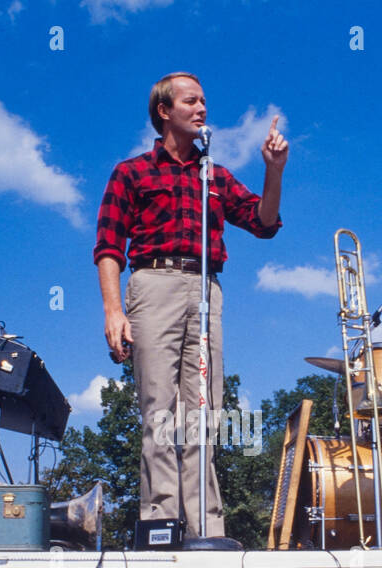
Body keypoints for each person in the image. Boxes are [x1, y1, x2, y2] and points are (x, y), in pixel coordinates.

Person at [94, 72, 288, 538]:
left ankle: (206, 526)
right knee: (159, 409)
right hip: (153, 283)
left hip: (205, 288)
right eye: (191, 101)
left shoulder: (214, 175)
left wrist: (274, 170)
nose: (202, 108)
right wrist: (113, 310)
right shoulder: (132, 172)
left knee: (204, 411)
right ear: (164, 111)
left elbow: (263, 223)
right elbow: (107, 245)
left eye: (204, 101)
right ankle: (160, 522)